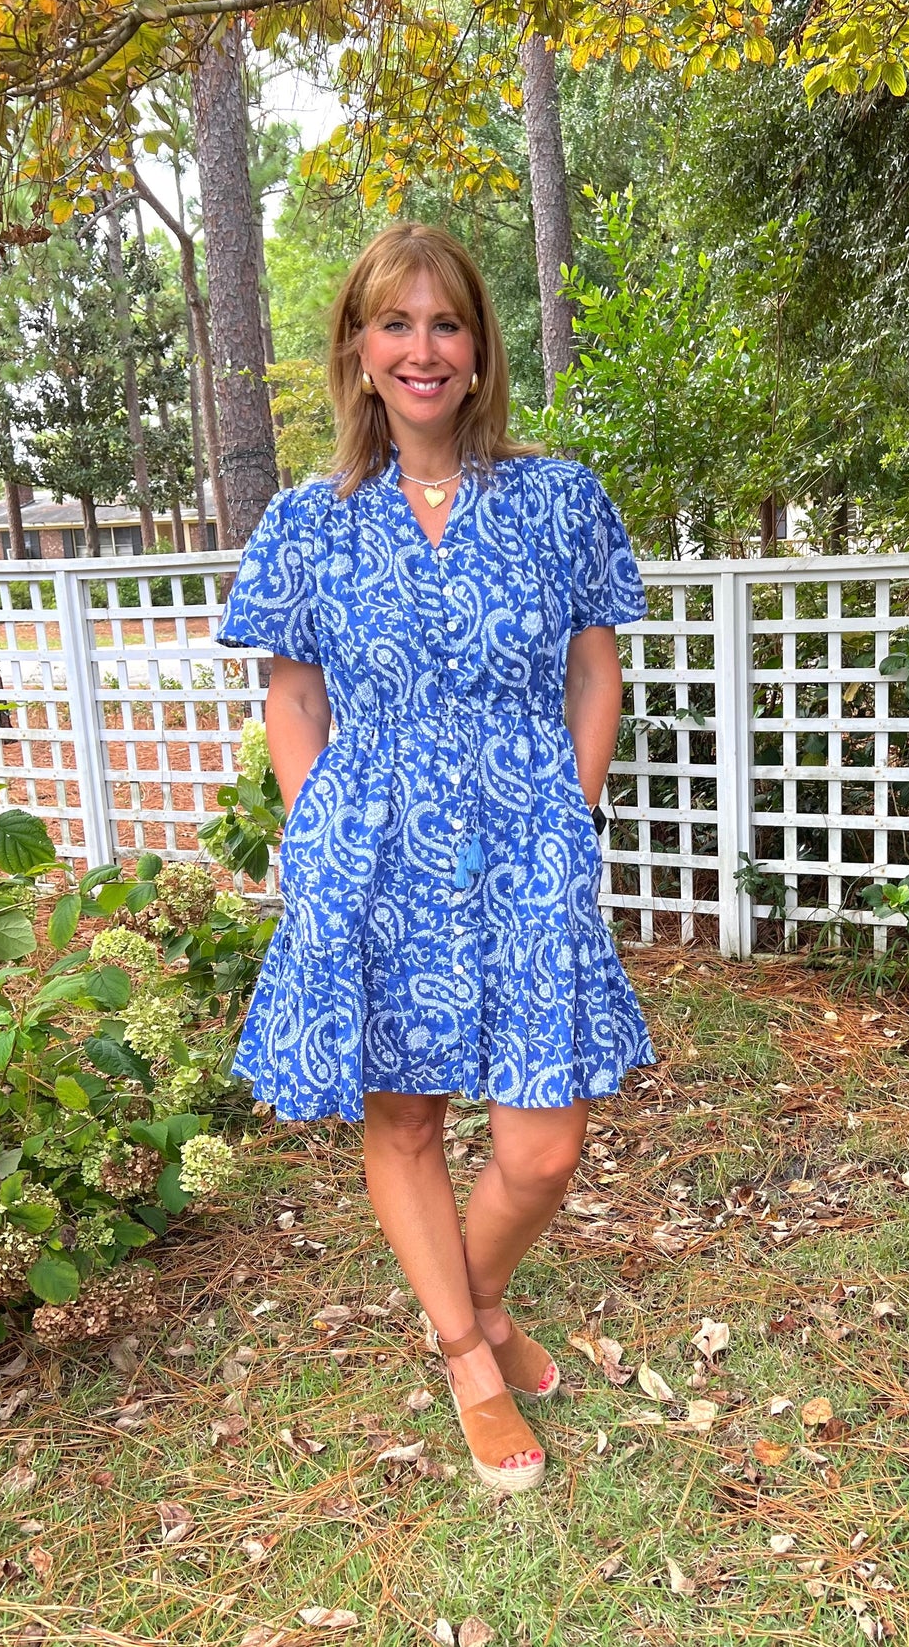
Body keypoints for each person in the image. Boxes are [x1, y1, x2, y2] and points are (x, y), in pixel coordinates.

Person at [215, 223, 655, 1493]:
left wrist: (566, 815)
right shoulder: (308, 522)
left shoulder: (558, 497)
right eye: (394, 324)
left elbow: (593, 670)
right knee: (403, 1110)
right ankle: (467, 1346)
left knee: (542, 1142)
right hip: (372, 838)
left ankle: (482, 1292)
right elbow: (292, 698)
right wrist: (318, 834)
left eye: (445, 324)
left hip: (526, 830)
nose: (421, 348)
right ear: (358, 350)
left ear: (477, 351)